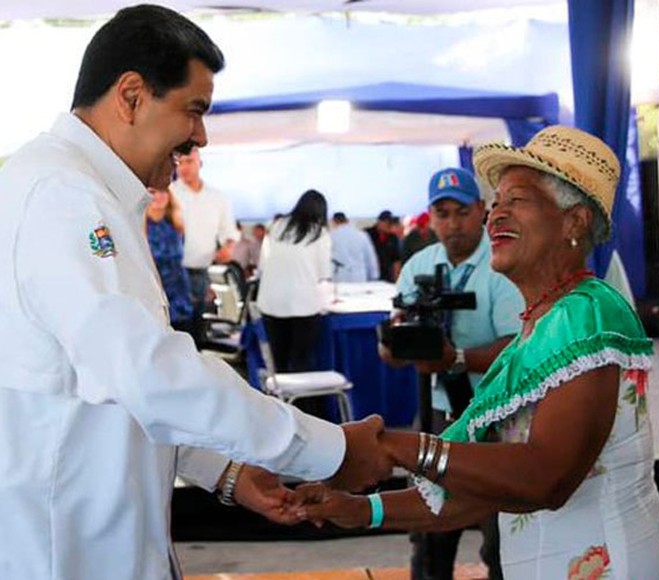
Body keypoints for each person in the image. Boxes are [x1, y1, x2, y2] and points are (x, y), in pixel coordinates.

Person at [0, 7, 390, 579]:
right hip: (72, 555)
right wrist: (328, 449)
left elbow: (112, 387)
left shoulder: (78, 192)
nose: (201, 136)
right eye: (194, 110)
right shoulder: (63, 197)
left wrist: (224, 471)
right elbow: (148, 374)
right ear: (131, 95)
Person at [297, 127, 659, 579]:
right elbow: (477, 493)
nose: (495, 217)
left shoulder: (589, 312)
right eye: (495, 203)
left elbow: (546, 477)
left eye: (517, 201)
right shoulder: (532, 337)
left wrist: (397, 446)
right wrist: (359, 510)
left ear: (575, 221)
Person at [382, 167, 524, 580]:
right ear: (430, 216)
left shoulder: (502, 262)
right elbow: (398, 333)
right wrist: (395, 345)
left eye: (461, 211)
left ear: (481, 210)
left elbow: (519, 347)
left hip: (499, 417)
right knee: (428, 529)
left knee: (502, 535)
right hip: (439, 413)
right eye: (442, 213)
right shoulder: (418, 265)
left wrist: (456, 358)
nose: (452, 223)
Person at [258, 190, 332, 416]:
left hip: (270, 305)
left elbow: (262, 266)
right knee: (302, 364)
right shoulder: (319, 233)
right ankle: (305, 415)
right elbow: (323, 274)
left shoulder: (276, 226)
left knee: (279, 364)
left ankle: (279, 413)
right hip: (304, 307)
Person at [171, 145, 239, 344]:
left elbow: (229, 232)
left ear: (200, 163)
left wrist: (228, 248)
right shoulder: (169, 195)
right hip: (173, 273)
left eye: (189, 162)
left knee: (198, 329)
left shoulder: (217, 197)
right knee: (177, 331)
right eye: (179, 163)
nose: (184, 168)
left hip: (202, 271)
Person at [146, 187, 195, 336]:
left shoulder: (176, 224)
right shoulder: (140, 225)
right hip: (154, 292)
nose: (159, 196)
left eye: (162, 192)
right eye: (153, 192)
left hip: (180, 293)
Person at [330, 211, 379, 283]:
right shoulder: (362, 235)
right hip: (359, 277)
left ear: (333, 221)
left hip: (340, 278)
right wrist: (374, 276)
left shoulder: (331, 236)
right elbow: (370, 257)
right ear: (347, 221)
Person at [367, 209, 402, 282]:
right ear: (380, 222)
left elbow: (396, 260)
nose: (390, 226)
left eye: (391, 223)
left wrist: (397, 280)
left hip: (387, 277)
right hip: (370, 276)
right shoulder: (367, 234)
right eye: (388, 223)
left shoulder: (392, 238)